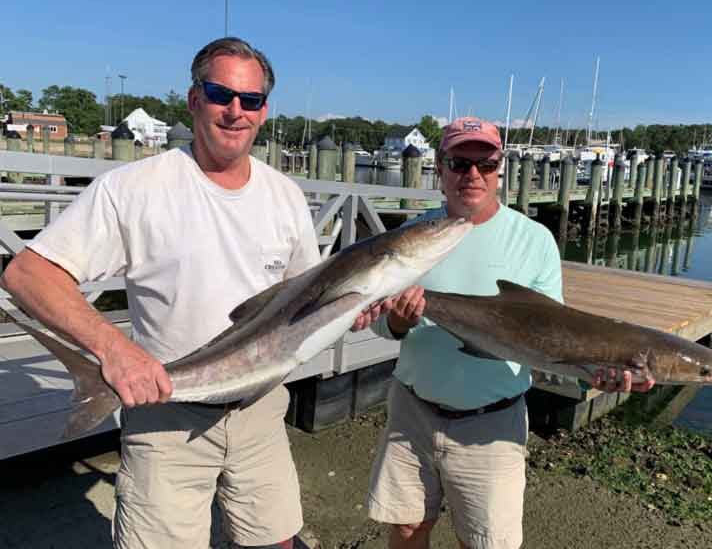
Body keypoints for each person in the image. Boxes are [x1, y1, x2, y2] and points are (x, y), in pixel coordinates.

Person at [0, 37, 320, 549]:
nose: (236, 111)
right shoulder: (134, 187)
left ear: (264, 111)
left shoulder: (285, 196)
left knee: (276, 540)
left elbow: (308, 295)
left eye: (251, 100)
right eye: (221, 94)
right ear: (194, 99)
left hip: (261, 408)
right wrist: (115, 349)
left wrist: (365, 307)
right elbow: (27, 273)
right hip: (167, 413)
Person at [351, 116, 654, 549]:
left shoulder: (534, 241)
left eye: (486, 163)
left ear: (500, 169)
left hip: (491, 422)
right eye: (459, 162)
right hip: (411, 411)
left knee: (485, 541)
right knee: (405, 527)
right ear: (439, 167)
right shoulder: (410, 236)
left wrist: (596, 370)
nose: (472, 174)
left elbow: (557, 336)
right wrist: (399, 320)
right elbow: (382, 322)